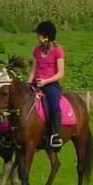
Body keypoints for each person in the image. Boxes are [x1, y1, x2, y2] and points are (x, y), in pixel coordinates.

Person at [26, 20, 65, 150]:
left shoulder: (58, 51)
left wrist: (46, 81)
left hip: (51, 85)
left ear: (46, 36)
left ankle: (56, 135)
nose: (37, 37)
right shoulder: (36, 50)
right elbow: (33, 70)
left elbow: (61, 73)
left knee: (54, 103)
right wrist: (28, 83)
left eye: (39, 35)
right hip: (36, 83)